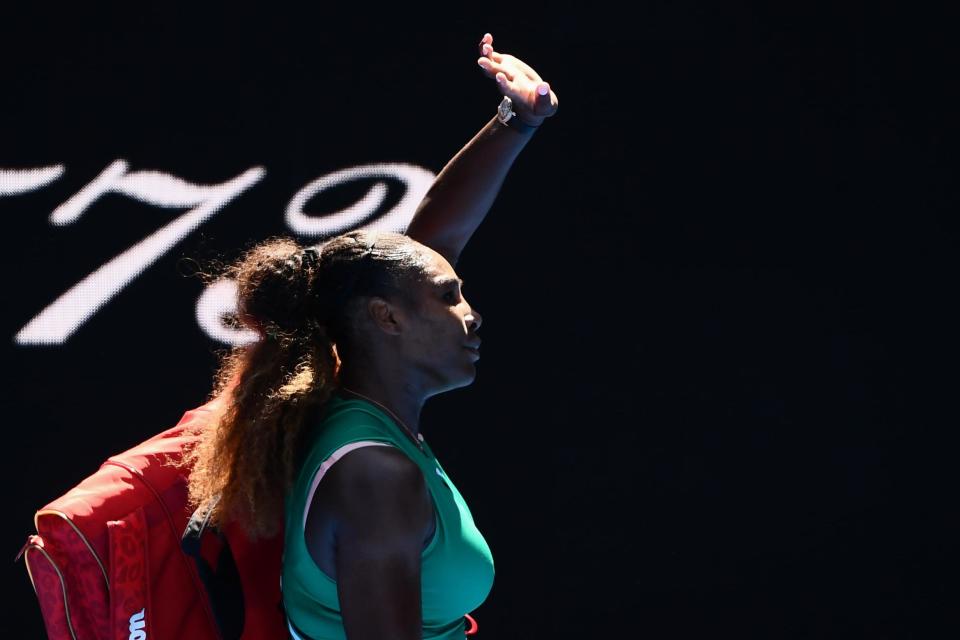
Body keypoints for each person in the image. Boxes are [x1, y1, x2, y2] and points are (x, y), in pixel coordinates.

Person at [185, 33, 558, 640]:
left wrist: (518, 120)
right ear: (386, 319)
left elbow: (426, 251)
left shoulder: (349, 406)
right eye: (449, 296)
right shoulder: (376, 481)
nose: (473, 312)